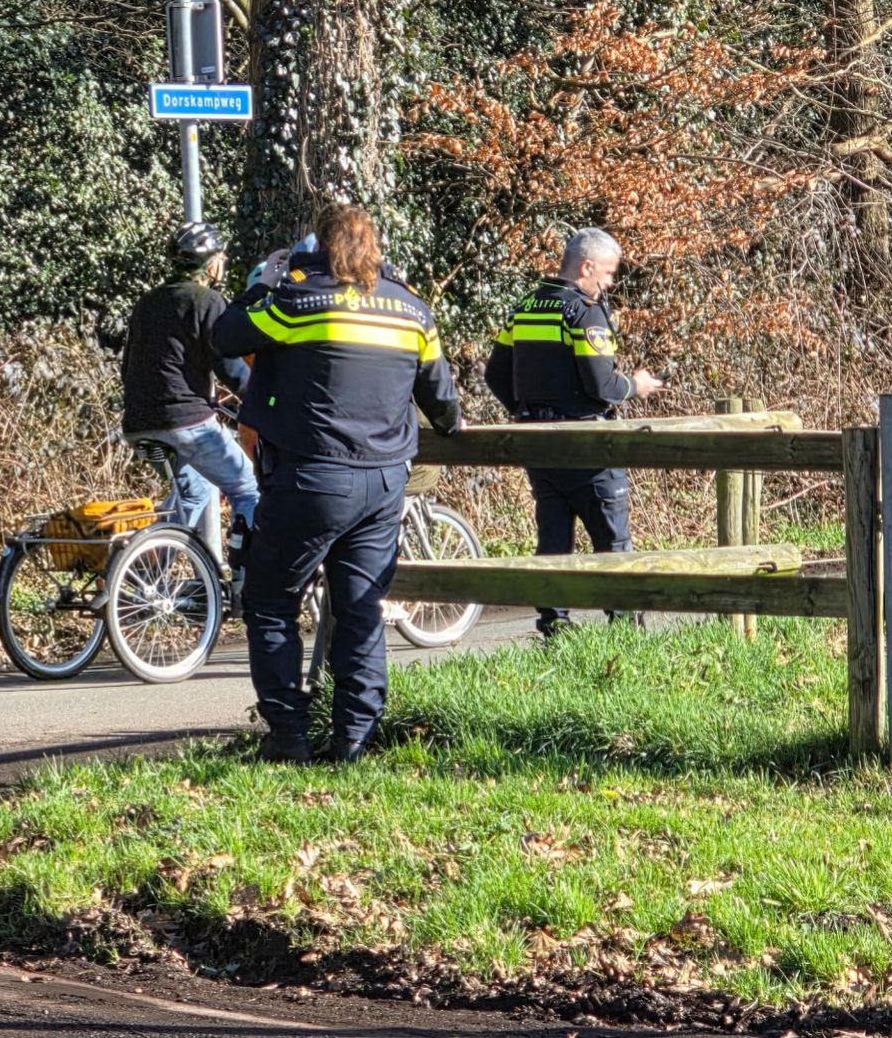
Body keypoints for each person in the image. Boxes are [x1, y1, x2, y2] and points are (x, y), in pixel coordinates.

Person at [212, 205, 462, 764]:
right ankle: (354, 738)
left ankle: (289, 734)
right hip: (382, 484)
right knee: (361, 606)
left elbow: (226, 336)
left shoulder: (297, 301)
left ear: (320, 248)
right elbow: (442, 402)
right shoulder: (412, 311)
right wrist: (450, 428)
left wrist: (272, 280)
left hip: (310, 477)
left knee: (272, 602)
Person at [482, 228, 665, 637]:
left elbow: (495, 373)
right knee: (612, 542)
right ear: (587, 266)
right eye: (609, 272)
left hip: (538, 444)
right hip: (585, 443)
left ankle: (554, 626)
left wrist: (526, 412)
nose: (611, 282)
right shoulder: (584, 312)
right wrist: (636, 385)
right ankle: (625, 633)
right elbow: (603, 386)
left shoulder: (526, 307)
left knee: (553, 538)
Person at [121, 222, 258, 557]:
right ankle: (249, 580)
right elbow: (230, 367)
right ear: (212, 264)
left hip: (138, 424)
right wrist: (265, 400)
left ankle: (141, 579)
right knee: (248, 488)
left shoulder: (147, 303)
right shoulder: (208, 301)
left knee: (195, 490)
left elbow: (128, 367)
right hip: (186, 424)